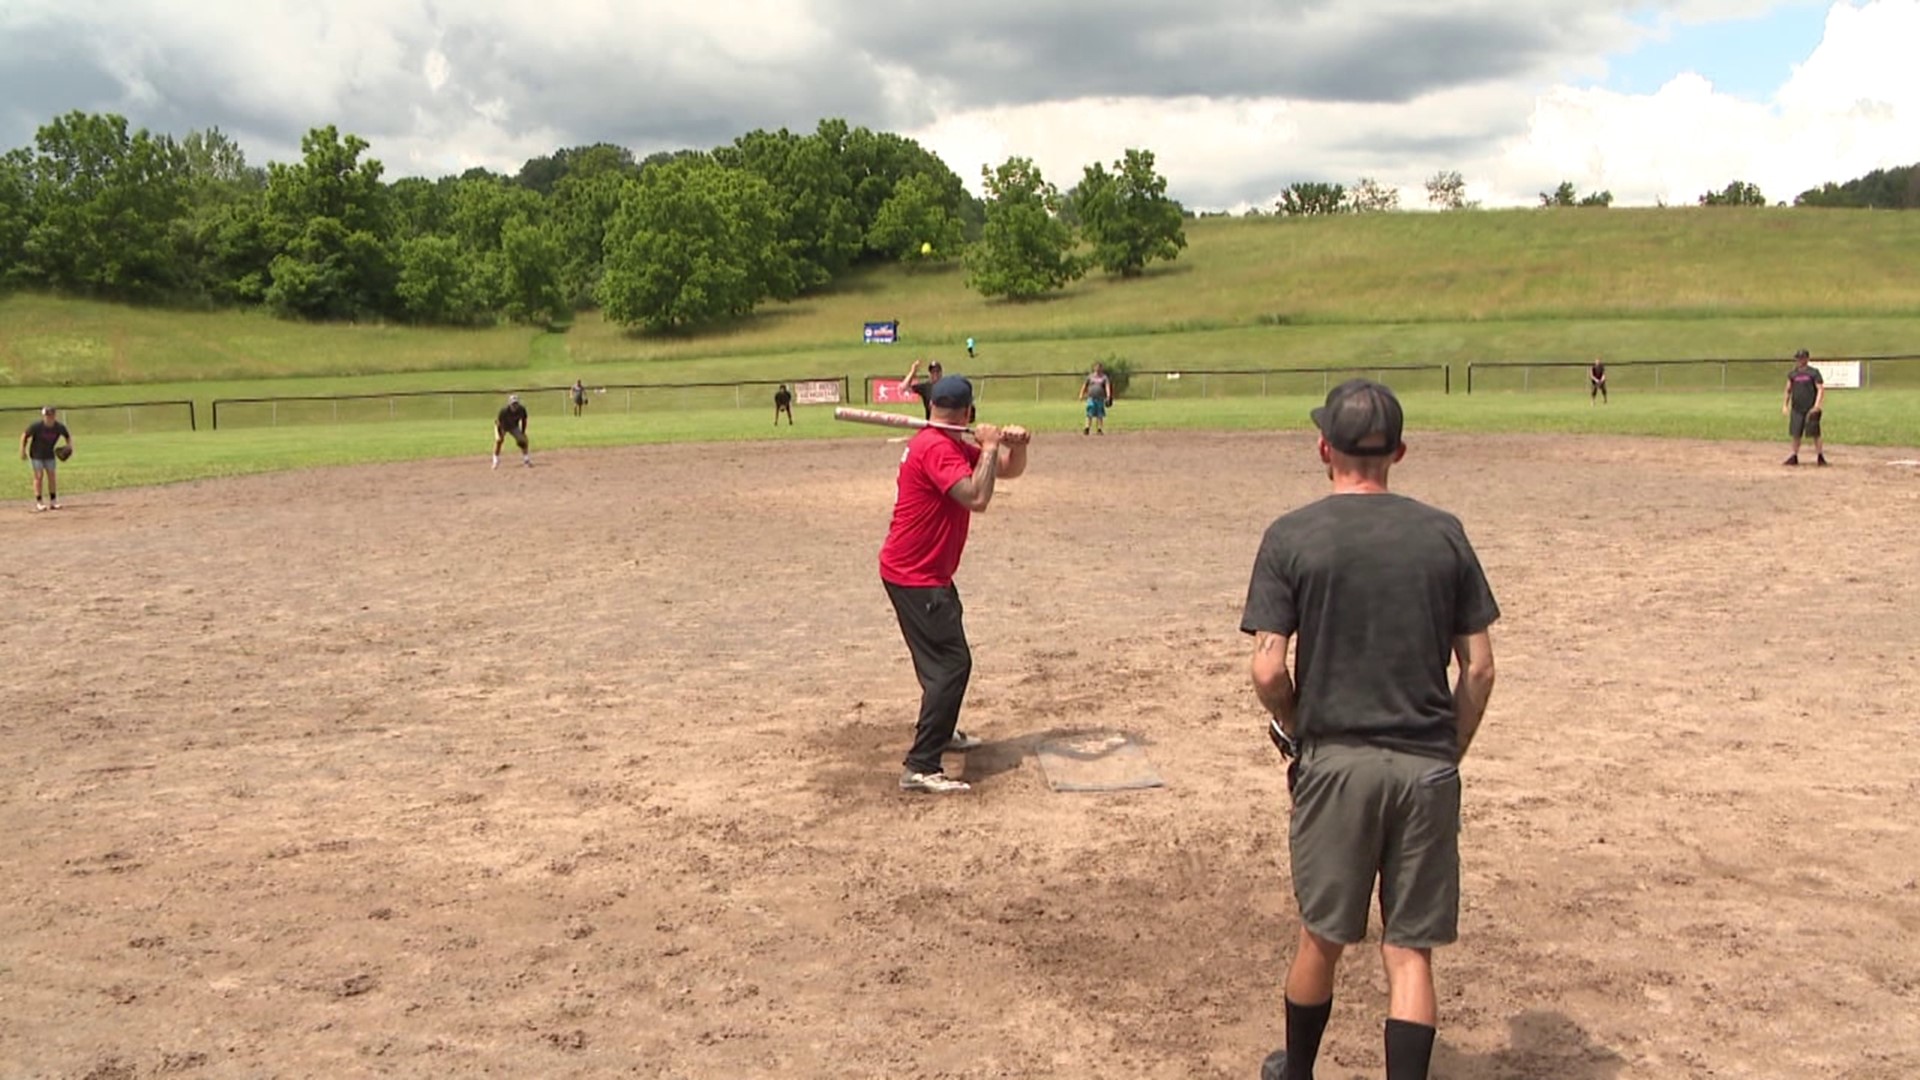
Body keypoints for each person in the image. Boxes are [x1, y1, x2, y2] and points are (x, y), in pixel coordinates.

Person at [1242, 379, 1499, 1080]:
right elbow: (1478, 670)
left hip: (1337, 762)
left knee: (1323, 935)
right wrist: (1447, 747)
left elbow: (1268, 668)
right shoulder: (1443, 531)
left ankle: (1297, 1071)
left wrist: (1298, 729)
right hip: (1425, 765)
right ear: (1400, 453)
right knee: (1409, 948)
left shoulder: (1291, 535)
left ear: (1324, 448)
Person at [878, 375, 1030, 794]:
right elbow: (977, 497)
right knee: (951, 665)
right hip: (917, 576)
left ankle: (940, 732)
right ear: (966, 412)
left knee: (940, 665)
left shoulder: (945, 441)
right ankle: (921, 765)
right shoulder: (935, 448)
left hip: (922, 573)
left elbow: (1004, 471)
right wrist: (991, 445)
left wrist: (1014, 446)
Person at [20, 405, 73, 511]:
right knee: (38, 477)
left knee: (52, 477)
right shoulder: (37, 426)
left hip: (49, 454)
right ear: (43, 416)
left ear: (54, 415)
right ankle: (39, 502)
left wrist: (69, 446)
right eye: (46, 415)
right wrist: (22, 450)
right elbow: (24, 435)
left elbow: (67, 436)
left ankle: (53, 502)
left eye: (50, 415)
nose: (48, 417)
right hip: (36, 454)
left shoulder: (59, 427)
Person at [1783, 349, 1827, 467]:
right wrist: (1785, 405)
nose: (1799, 360)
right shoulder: (1793, 374)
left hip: (1810, 408)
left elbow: (1820, 389)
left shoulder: (1813, 373)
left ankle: (1820, 456)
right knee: (1796, 433)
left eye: (1801, 358)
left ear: (1807, 359)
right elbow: (1788, 390)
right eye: (1798, 358)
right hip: (1797, 408)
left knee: (1815, 433)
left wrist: (1817, 405)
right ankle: (1794, 456)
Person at [493, 394, 531, 469]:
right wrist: (500, 435)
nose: (515, 405)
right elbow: (498, 424)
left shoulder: (522, 410)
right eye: (513, 404)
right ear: (509, 404)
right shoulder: (504, 411)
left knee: (523, 440)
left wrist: (523, 433)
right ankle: (495, 461)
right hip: (502, 426)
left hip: (513, 427)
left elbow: (524, 421)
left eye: (516, 403)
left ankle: (526, 460)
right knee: (499, 441)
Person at [1081, 361, 1114, 435]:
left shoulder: (1104, 377)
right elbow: (1085, 385)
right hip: (1091, 398)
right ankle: (1087, 428)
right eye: (1096, 367)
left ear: (1101, 369)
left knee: (1100, 414)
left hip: (1100, 399)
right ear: (1094, 368)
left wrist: (1108, 396)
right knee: (1089, 412)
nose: (1098, 369)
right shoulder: (1090, 377)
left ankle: (1099, 429)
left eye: (1099, 367)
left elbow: (1107, 387)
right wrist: (1081, 394)